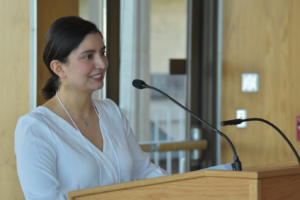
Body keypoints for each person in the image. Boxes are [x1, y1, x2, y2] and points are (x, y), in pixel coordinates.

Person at [14, 16, 168, 200]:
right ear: (59, 68)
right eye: (88, 56)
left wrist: (182, 188)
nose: (102, 64)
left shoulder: (111, 111)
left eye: (102, 52)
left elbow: (144, 171)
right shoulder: (35, 128)